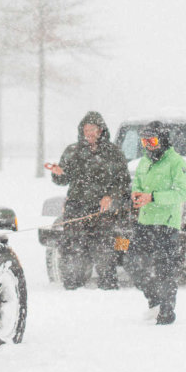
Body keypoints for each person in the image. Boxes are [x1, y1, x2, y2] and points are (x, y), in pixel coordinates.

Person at [45, 111, 131, 289]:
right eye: (86, 129)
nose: (89, 133)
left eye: (93, 129)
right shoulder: (72, 151)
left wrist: (110, 196)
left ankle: (108, 284)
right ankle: (73, 284)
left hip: (103, 210)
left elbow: (123, 181)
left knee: (105, 247)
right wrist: (58, 173)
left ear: (101, 130)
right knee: (73, 247)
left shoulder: (113, 153)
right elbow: (63, 179)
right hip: (76, 207)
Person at [130, 121, 186, 324]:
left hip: (166, 223)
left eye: (152, 140)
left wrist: (153, 197)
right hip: (144, 222)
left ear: (162, 140)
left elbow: (180, 193)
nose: (148, 145)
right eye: (144, 141)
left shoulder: (177, 163)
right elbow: (137, 184)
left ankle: (166, 309)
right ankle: (154, 300)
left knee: (166, 268)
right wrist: (136, 195)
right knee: (133, 262)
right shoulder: (143, 162)